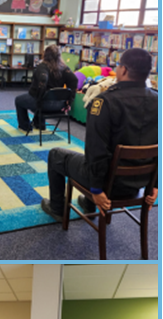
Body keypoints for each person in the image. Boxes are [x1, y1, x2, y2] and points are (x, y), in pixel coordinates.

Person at [42, 47, 159, 220]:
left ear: (124, 70)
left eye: (118, 66)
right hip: (142, 181)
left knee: (55, 155)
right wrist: (155, 185)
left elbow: (96, 149)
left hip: (108, 183)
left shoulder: (105, 102)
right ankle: (88, 203)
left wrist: (96, 189)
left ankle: (57, 208)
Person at [15, 44, 77, 134]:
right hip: (60, 105)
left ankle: (25, 126)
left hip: (43, 105)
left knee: (19, 100)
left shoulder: (42, 66)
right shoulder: (64, 68)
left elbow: (43, 79)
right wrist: (69, 100)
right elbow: (74, 80)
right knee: (43, 96)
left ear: (45, 54)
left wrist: (39, 100)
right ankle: (39, 125)